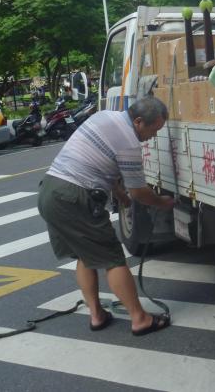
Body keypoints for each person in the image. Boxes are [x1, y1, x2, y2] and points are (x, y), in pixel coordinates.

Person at [37, 95, 175, 336]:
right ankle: (139, 318)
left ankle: (97, 314)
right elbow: (139, 191)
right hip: (75, 197)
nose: (153, 137)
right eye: (154, 130)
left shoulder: (103, 117)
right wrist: (161, 202)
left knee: (84, 255)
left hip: (50, 190)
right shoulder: (129, 142)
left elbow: (100, 165)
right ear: (139, 122)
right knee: (113, 260)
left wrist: (121, 197)